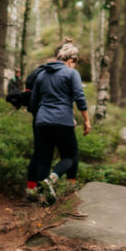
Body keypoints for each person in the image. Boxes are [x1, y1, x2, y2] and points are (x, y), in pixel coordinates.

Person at [26, 39, 91, 202]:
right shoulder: (71, 73)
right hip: (63, 121)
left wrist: (41, 118)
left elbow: (33, 102)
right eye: (74, 63)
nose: (74, 66)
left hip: (42, 122)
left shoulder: (42, 74)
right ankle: (52, 179)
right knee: (70, 156)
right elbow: (80, 98)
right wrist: (87, 121)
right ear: (71, 60)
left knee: (43, 161)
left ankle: (43, 199)